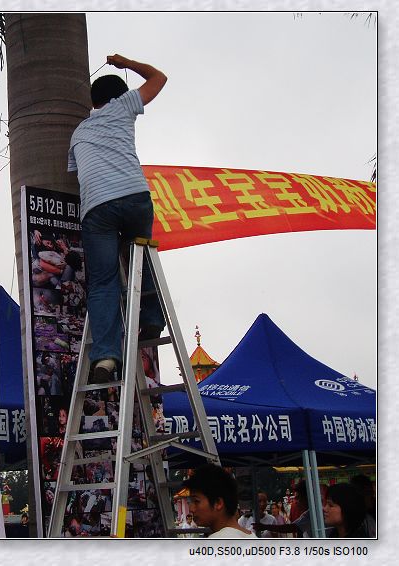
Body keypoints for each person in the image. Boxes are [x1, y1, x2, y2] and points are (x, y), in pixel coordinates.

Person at [68, 54, 168, 383]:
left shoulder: (78, 133)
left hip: (97, 208)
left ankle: (106, 356)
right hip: (134, 196)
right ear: (118, 97)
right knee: (142, 254)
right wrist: (124, 62)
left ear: (93, 102)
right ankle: (151, 319)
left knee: (103, 281)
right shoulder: (123, 106)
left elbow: (79, 173)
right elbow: (158, 77)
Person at [182, 463, 257, 538]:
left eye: (196, 501)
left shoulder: (216, 541)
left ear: (218, 503)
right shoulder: (251, 537)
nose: (191, 509)